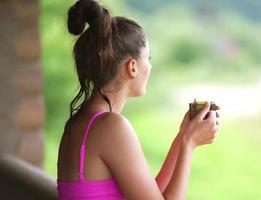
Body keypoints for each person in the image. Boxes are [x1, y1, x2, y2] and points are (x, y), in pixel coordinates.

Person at [56, 0, 220, 199]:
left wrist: (182, 136)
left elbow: (149, 193)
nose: (149, 67)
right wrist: (189, 144)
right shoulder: (111, 126)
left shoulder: (80, 122)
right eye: (148, 59)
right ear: (132, 67)